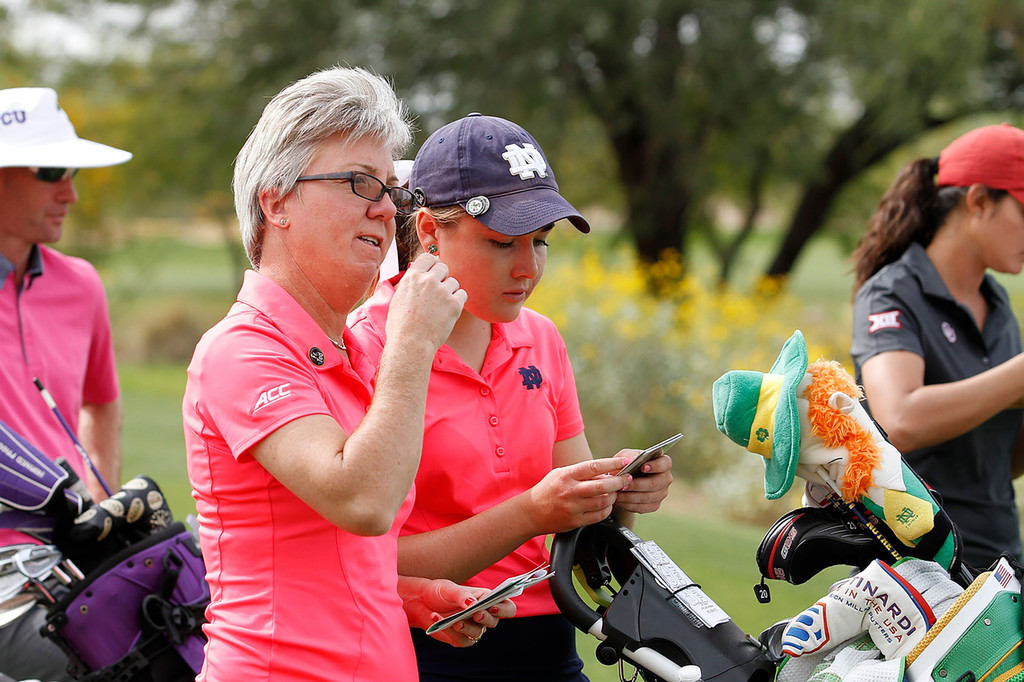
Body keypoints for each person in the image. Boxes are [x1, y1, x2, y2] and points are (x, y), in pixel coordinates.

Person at [182, 68, 514, 682]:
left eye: (392, 189)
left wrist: (405, 596)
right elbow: (362, 500)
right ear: (276, 200)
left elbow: (338, 550)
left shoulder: (353, 352)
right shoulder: (242, 349)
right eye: (360, 183)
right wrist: (412, 342)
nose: (387, 208)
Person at [349, 113, 674, 681]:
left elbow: (580, 520)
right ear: (429, 230)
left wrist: (618, 491)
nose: (527, 268)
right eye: (501, 243)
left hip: (550, 641)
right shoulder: (369, 348)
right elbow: (369, 556)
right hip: (422, 647)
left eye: (540, 242)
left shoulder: (541, 337)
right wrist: (531, 513)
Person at [850, 122, 1024, 571]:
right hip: (911, 570)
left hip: (999, 565)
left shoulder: (997, 305)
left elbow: (996, 463)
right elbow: (901, 418)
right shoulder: (891, 293)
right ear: (979, 201)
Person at [0, 86, 131, 681]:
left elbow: (102, 403)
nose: (70, 193)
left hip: (66, 553)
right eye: (51, 170)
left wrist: (100, 512)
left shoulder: (80, 284)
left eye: (72, 172)